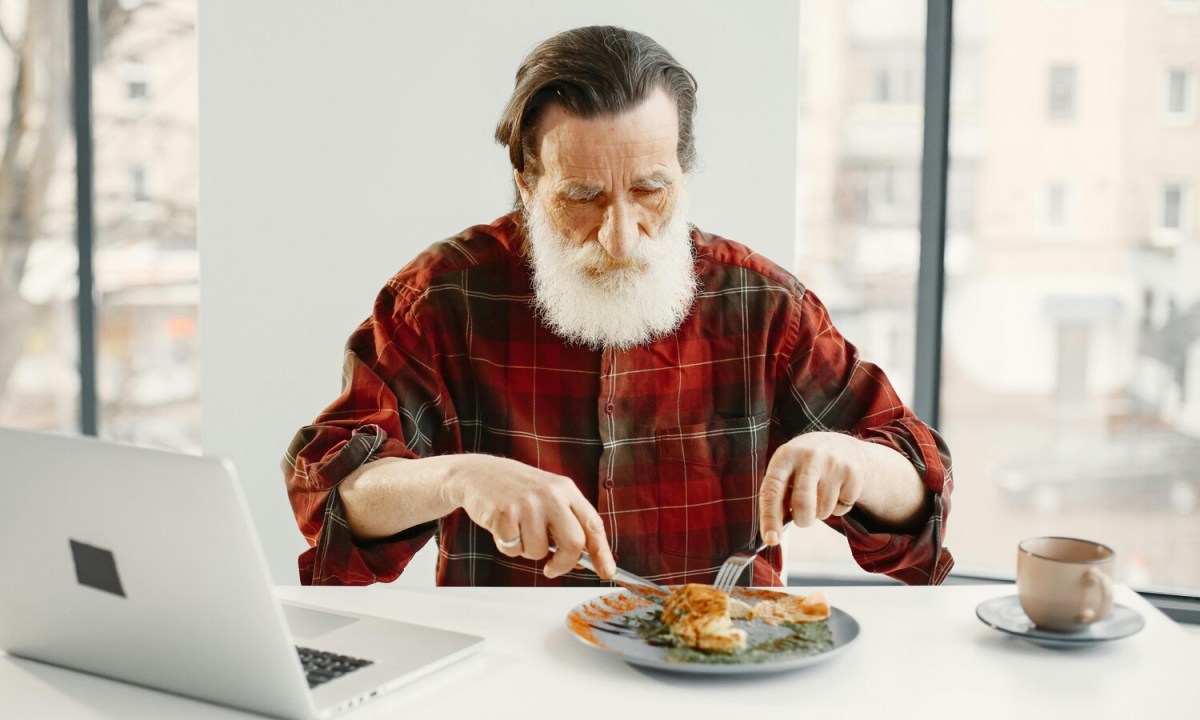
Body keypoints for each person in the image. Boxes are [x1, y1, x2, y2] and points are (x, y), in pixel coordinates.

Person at [283, 25, 954, 587]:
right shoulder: (441, 296)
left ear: (683, 173)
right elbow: (333, 496)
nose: (620, 236)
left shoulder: (765, 305)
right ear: (526, 180)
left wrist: (857, 465)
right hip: (511, 681)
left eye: (649, 190)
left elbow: (920, 501)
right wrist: (456, 477)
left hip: (719, 675)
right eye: (583, 197)